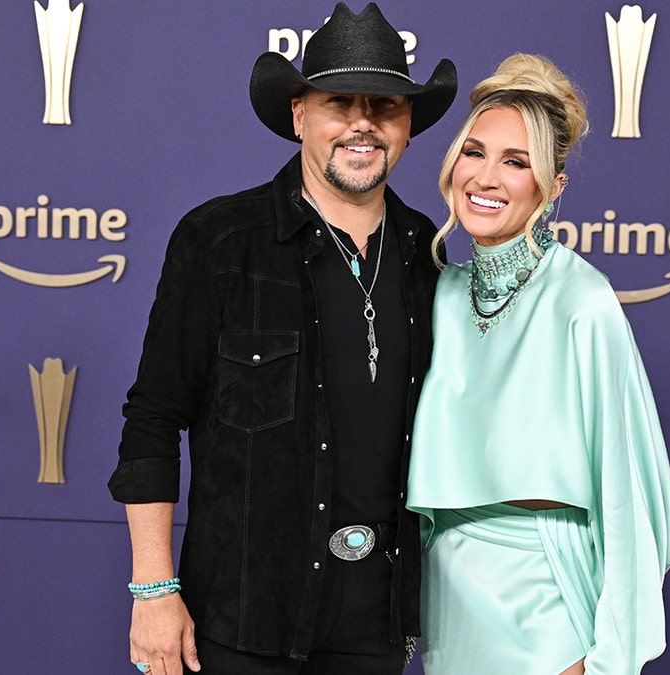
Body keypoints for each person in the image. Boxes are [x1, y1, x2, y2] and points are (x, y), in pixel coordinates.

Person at [107, 4, 456, 674]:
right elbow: (152, 419)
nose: (363, 122)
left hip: (377, 629)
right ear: (299, 114)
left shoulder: (429, 257)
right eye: (339, 103)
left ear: (409, 125)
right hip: (240, 621)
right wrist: (153, 588)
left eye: (384, 104)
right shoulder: (218, 241)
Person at [406, 54, 670, 675]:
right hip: (448, 600)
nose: (486, 176)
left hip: (546, 595)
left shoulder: (581, 300)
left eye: (516, 161)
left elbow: (628, 494)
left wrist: (607, 654)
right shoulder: (438, 294)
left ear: (553, 186)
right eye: (474, 152)